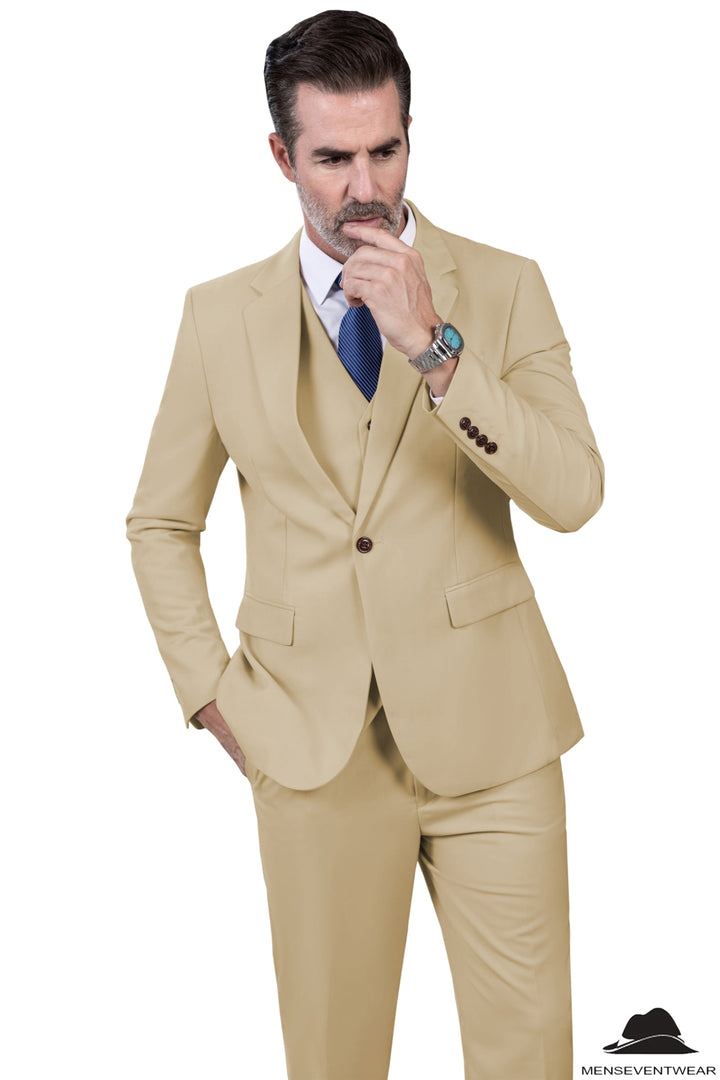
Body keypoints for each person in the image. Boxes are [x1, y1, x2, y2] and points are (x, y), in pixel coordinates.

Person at [126, 10, 604, 1079]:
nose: (364, 187)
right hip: (309, 747)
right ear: (281, 155)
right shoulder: (218, 317)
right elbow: (160, 521)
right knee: (334, 1061)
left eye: (385, 150)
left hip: (494, 738)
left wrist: (437, 350)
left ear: (409, 134)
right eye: (333, 159)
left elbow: (575, 494)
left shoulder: (504, 286)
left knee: (531, 1060)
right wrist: (213, 697)